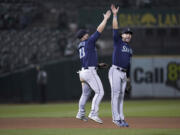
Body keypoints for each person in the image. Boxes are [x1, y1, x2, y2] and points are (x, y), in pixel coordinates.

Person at [76, 10, 111, 124]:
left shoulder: (80, 45)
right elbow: (99, 30)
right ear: (83, 36)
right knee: (100, 92)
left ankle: (80, 113)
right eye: (86, 33)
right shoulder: (89, 42)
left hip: (82, 72)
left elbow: (87, 59)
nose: (88, 34)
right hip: (89, 72)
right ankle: (93, 113)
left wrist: (97, 65)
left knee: (85, 94)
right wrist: (105, 19)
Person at [108, 4, 133, 127]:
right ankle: (115, 119)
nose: (128, 35)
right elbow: (115, 28)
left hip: (124, 73)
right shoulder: (117, 42)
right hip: (115, 71)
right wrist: (115, 15)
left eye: (130, 33)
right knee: (116, 94)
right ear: (121, 35)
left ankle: (121, 118)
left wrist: (128, 77)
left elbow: (128, 64)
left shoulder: (130, 49)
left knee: (121, 97)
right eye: (126, 33)